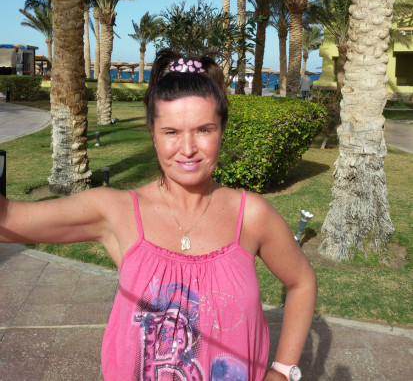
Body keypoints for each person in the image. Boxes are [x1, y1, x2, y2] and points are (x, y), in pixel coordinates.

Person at [0, 49, 317, 381]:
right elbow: (8, 221)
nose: (188, 148)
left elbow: (302, 281)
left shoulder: (251, 215)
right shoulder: (117, 211)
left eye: (204, 130)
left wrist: (283, 371)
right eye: (171, 132)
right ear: (152, 133)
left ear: (222, 129)